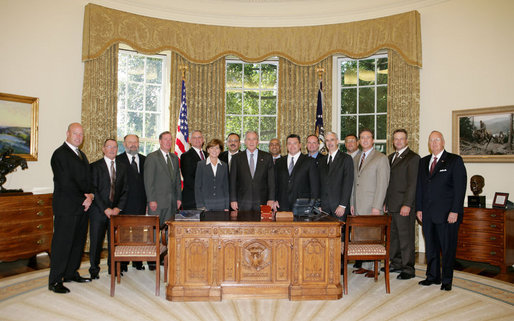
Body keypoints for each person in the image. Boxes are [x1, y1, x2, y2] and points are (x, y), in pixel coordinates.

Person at [416, 131, 467, 291]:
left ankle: (446, 280)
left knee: (447, 248)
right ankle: (432, 276)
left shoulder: (454, 160)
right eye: (431, 140)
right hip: (428, 214)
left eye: (437, 140)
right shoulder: (423, 162)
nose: (434, 143)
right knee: (431, 247)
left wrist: (455, 211)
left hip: (447, 215)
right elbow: (420, 188)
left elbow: (460, 189)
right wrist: (419, 208)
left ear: (443, 142)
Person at [48, 123, 93, 294]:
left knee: (77, 243)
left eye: (81, 134)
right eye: (75, 133)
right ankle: (55, 280)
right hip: (66, 207)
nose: (78, 137)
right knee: (62, 244)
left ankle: (70, 273)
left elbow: (88, 180)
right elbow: (66, 182)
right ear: (67, 133)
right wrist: (85, 198)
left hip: (82, 207)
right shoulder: (60, 154)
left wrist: (91, 196)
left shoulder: (81, 155)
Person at [350, 128, 390, 277]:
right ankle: (365, 265)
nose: (365, 140)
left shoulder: (381, 158)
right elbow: (354, 183)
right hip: (359, 205)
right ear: (359, 141)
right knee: (362, 237)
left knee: (374, 238)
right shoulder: (356, 158)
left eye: (368, 137)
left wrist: (377, 207)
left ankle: (375, 268)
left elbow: (383, 184)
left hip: (373, 206)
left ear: (373, 140)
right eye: (362, 138)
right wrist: (352, 203)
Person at [89, 139, 128, 280]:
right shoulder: (94, 167)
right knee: (96, 242)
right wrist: (105, 208)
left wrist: (118, 208)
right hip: (99, 211)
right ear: (103, 149)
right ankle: (94, 270)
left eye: (114, 147)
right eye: (109, 147)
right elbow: (94, 190)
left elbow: (125, 190)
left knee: (114, 242)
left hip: (116, 212)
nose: (112, 149)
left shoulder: (123, 167)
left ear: (117, 149)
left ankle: (113, 268)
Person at [384, 129, 420, 280]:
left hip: (404, 206)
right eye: (396, 139)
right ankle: (396, 263)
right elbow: (387, 183)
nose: (398, 141)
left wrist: (407, 204)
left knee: (406, 238)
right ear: (393, 141)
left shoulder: (413, 158)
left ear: (407, 141)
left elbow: (413, 184)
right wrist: (385, 202)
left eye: (401, 139)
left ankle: (408, 268)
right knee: (394, 238)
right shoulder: (390, 157)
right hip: (391, 205)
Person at [144, 131, 182, 269]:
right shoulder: (152, 157)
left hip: (172, 202)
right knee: (155, 231)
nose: (168, 142)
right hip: (157, 202)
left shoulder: (174, 158)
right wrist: (151, 200)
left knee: (167, 232)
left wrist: (179, 198)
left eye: (170, 140)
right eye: (165, 139)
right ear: (160, 141)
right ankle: (152, 260)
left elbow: (177, 180)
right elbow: (148, 182)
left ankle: (163, 257)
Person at [116, 134, 147, 270]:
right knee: (123, 235)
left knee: (139, 233)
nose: (133, 145)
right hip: (124, 204)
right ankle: (122, 263)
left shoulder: (145, 160)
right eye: (130, 142)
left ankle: (138, 261)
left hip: (141, 203)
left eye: (136, 142)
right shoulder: (118, 160)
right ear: (124, 144)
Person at [230, 131, 275, 211]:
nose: (251, 142)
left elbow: (271, 180)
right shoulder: (236, 158)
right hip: (242, 201)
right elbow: (233, 181)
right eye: (249, 139)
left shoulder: (267, 157)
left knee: (263, 223)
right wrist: (233, 199)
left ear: (258, 141)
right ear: (245, 142)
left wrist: (271, 198)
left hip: (262, 201)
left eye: (254, 139)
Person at [274, 134, 320, 212]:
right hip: (282, 205)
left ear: (300, 145)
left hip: (302, 206)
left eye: (295, 143)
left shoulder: (309, 161)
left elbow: (314, 186)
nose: (292, 146)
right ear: (286, 145)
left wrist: (312, 205)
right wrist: (274, 200)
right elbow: (275, 183)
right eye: (289, 143)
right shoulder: (279, 162)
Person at [319, 132, 354, 219]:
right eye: (327, 140)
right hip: (324, 208)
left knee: (340, 232)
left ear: (337, 141)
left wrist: (342, 205)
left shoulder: (346, 159)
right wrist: (319, 204)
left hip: (339, 207)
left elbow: (348, 183)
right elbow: (320, 184)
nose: (329, 143)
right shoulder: (321, 161)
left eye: (332, 140)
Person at [195, 139, 230, 211]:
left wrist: (226, 206)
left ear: (220, 150)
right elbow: (198, 187)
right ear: (208, 150)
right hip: (206, 205)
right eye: (212, 148)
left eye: (217, 148)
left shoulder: (224, 165)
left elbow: (226, 187)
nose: (214, 150)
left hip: (221, 205)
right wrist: (200, 206)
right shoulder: (201, 165)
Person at [180, 130, 207, 209]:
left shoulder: (208, 155)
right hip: (192, 198)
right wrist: (203, 191)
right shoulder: (186, 156)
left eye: (199, 137)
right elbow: (188, 179)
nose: (197, 140)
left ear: (203, 140)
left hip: (206, 199)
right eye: (194, 138)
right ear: (190, 140)